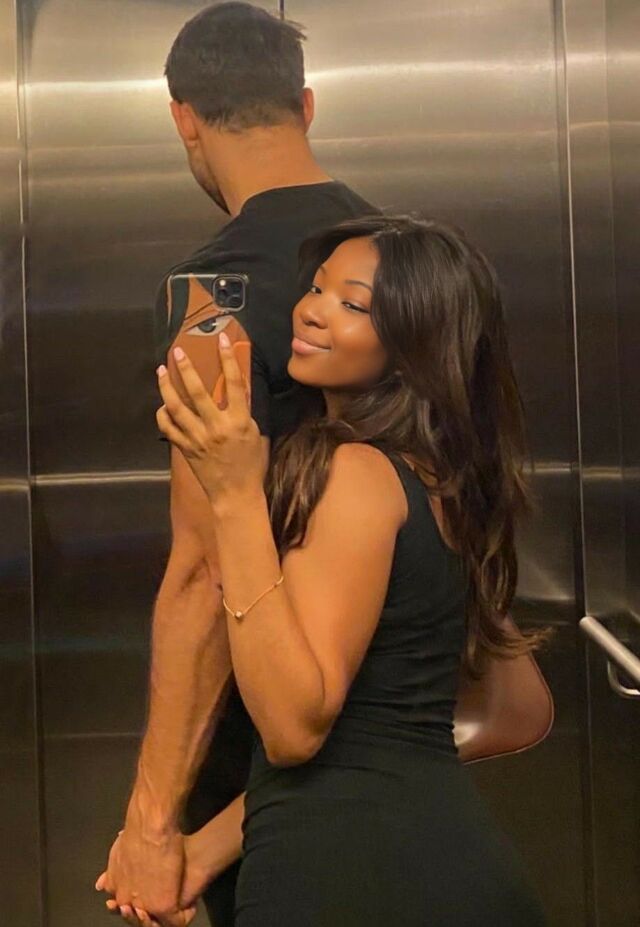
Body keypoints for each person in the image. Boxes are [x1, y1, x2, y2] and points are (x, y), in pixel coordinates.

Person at [144, 212, 552, 926]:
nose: (312, 310)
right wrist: (204, 851)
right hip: (442, 863)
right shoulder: (436, 482)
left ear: (413, 345)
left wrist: (235, 497)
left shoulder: (355, 475)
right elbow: (506, 712)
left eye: (354, 305)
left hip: (350, 879)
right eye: (318, 287)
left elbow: (293, 728)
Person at [96, 3, 382, 926]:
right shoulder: (421, 259)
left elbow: (205, 568)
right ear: (307, 104)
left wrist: (152, 823)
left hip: (277, 751)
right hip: (409, 737)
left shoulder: (207, 297)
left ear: (184, 118)